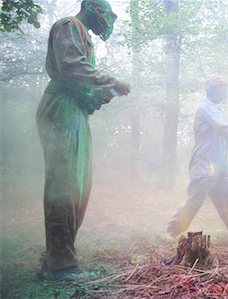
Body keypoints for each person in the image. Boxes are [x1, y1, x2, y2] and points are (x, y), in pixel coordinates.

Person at [36, 0, 130, 280]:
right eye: (104, 13)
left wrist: (101, 95)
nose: (106, 20)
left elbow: (84, 88)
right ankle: (62, 265)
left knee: (78, 187)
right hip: (61, 109)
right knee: (64, 185)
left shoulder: (82, 34)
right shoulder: (69, 25)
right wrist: (108, 82)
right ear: (90, 6)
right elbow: (70, 66)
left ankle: (57, 256)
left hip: (73, 110)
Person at [167, 77, 228, 244]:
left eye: (225, 89)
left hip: (221, 166)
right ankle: (172, 232)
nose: (225, 93)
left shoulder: (215, 110)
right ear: (212, 91)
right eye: (222, 89)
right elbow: (223, 129)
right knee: (195, 200)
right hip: (205, 164)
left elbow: (223, 139)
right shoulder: (206, 108)